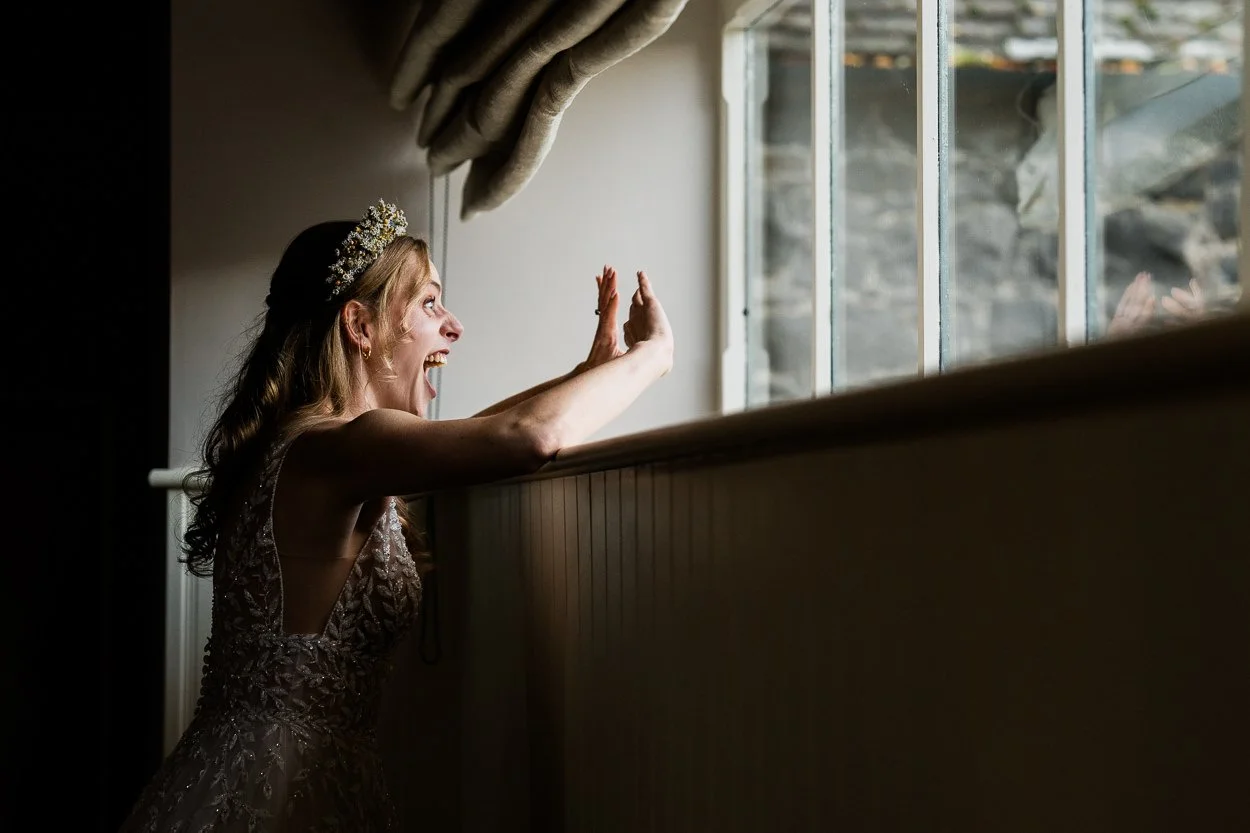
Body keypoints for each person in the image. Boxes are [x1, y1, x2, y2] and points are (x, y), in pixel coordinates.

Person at [120, 199, 674, 831]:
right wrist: (652, 355)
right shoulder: (339, 447)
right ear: (360, 325)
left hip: (246, 771)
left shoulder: (314, 445)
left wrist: (585, 373)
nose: (454, 327)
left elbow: (481, 430)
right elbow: (525, 438)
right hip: (279, 792)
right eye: (430, 304)